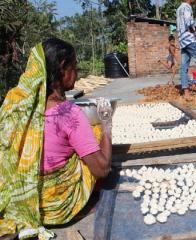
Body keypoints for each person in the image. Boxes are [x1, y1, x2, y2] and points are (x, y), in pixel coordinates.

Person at [0, 38, 112, 239]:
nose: (76, 73)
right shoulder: (68, 113)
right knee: (95, 138)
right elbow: (102, 169)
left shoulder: (17, 107)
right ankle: (87, 201)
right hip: (58, 208)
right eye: (74, 67)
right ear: (62, 68)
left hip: (24, 202)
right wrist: (107, 124)